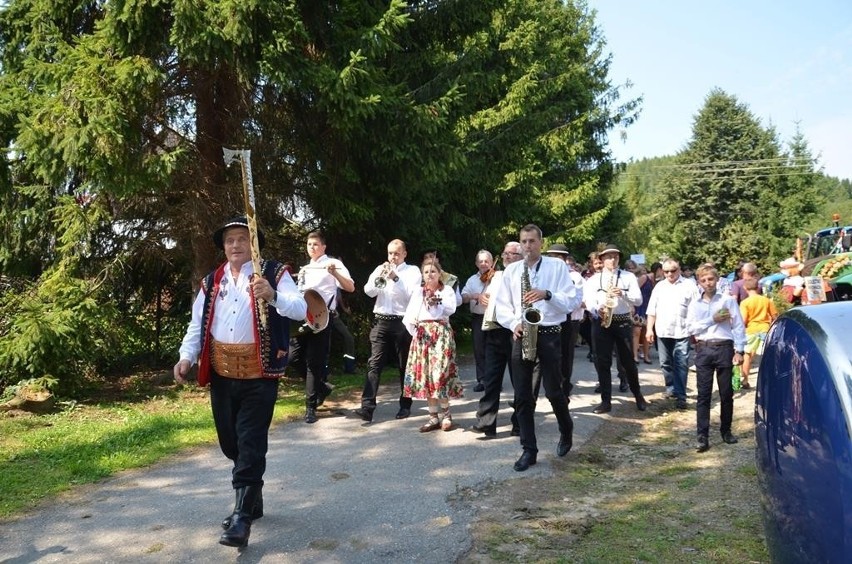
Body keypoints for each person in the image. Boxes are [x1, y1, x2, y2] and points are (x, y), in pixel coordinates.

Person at [173, 217, 307, 548]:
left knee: (249, 442)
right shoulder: (212, 282)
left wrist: (273, 295)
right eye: (230, 240)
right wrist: (186, 357)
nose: (235, 245)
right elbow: (197, 325)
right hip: (222, 375)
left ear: (254, 245)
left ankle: (241, 519)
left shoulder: (274, 273)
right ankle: (252, 499)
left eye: (242, 239)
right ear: (223, 246)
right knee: (230, 444)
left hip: (259, 375)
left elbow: (302, 310)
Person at [494, 224, 578, 472]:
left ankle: (566, 428)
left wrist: (547, 294)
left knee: (554, 391)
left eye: (532, 241)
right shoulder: (511, 271)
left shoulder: (557, 267)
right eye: (524, 242)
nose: (527, 246)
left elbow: (571, 301)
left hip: (550, 332)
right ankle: (529, 449)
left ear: (541, 242)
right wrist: (513, 323)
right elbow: (502, 306)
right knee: (522, 395)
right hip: (522, 334)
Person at [289, 231, 355, 424]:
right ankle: (322, 388)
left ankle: (311, 407)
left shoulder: (332, 264)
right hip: (303, 317)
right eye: (309, 244)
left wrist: (334, 273)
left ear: (324, 247)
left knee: (313, 362)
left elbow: (350, 287)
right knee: (293, 357)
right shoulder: (305, 268)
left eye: (316, 244)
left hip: (322, 318)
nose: (312, 247)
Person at [355, 239, 422, 422]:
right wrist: (382, 278)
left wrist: (396, 278)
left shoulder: (412, 271)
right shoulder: (380, 269)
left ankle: (405, 405)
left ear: (404, 254)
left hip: (402, 322)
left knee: (404, 365)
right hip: (381, 321)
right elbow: (369, 292)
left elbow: (412, 296)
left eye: (397, 253)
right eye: (390, 253)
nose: (393, 257)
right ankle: (367, 407)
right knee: (374, 364)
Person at [687, 263, 746, 453]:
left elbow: (737, 325)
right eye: (703, 280)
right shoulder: (695, 304)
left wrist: (739, 350)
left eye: (710, 279)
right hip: (704, 349)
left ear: (717, 280)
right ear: (699, 283)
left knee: (726, 393)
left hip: (724, 348)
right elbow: (691, 329)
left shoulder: (727, 301)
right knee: (703, 395)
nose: (707, 283)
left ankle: (726, 431)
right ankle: (702, 436)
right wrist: (712, 319)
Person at [583, 244, 648, 414]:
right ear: (602, 259)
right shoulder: (594, 280)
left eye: (615, 257)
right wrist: (598, 308)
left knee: (628, 362)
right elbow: (588, 301)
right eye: (609, 257)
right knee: (602, 362)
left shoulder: (628, 277)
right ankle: (606, 401)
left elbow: (638, 301)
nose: (612, 260)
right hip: (602, 322)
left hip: (622, 321)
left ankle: (638, 395)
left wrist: (623, 294)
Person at [469, 241, 523, 438]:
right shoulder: (498, 275)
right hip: (494, 329)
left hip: (515, 331)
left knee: (519, 380)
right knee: (491, 378)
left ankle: (519, 423)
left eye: (513, 254)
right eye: (506, 253)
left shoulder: (524, 275)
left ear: (522, 256)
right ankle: (486, 423)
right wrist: (483, 297)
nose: (508, 257)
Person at [402, 258, 463, 432]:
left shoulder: (447, 291)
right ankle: (433, 417)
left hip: (440, 335)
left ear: (439, 273)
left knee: (439, 375)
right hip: (422, 335)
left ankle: (446, 414)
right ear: (422, 275)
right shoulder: (418, 292)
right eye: (426, 272)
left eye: (433, 271)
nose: (430, 275)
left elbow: (451, 309)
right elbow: (409, 316)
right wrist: (415, 331)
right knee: (427, 376)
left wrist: (437, 300)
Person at [645, 259, 694, 409]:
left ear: (679, 269)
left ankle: (681, 395)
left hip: (682, 330)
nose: (669, 274)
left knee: (681, 363)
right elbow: (652, 310)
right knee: (665, 362)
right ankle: (671, 387)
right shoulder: (660, 286)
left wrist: (695, 330)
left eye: (673, 270)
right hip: (663, 330)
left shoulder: (689, 285)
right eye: (666, 271)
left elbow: (696, 307)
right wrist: (649, 329)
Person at [545, 243, 584, 398]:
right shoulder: (544, 274)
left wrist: (556, 301)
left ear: (565, 259)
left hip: (567, 319)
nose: (554, 259)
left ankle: (564, 387)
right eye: (551, 256)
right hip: (546, 318)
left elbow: (575, 301)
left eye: (558, 256)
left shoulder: (574, 276)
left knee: (566, 355)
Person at [461, 250, 495, 392]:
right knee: (479, 348)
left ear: (492, 263)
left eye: (486, 261)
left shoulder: (498, 277)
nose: (483, 264)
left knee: (493, 350)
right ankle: (482, 380)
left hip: (494, 316)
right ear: (476, 263)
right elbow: (463, 297)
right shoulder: (472, 280)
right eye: (480, 261)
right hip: (478, 317)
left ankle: (493, 381)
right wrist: (473, 295)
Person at [739, 278, 778, 389]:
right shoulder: (766, 300)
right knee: (765, 356)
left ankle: (745, 380)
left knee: (747, 356)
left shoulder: (745, 303)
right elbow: (775, 316)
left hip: (751, 330)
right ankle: (768, 380)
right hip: (765, 329)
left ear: (745, 288)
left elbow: (743, 320)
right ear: (758, 287)